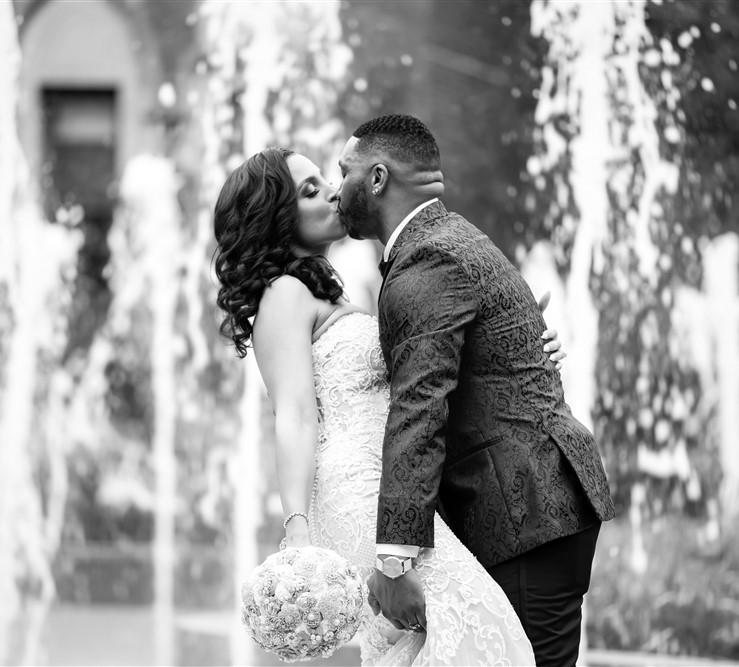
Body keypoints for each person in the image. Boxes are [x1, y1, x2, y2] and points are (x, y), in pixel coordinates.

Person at [214, 147, 567, 664]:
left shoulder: (327, 292)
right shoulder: (285, 294)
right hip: (355, 494)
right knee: (477, 623)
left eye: (325, 181)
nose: (334, 191)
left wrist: (510, 339)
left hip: (390, 492)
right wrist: (298, 530)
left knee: (435, 641)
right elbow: (292, 414)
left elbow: (419, 374)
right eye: (310, 190)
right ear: (274, 219)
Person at [333, 114, 616, 667]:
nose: (336, 186)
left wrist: (393, 561)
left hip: (524, 513)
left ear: (377, 178)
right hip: (531, 508)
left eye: (343, 171)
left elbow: (420, 404)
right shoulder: (447, 240)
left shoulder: (428, 257)